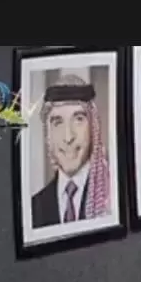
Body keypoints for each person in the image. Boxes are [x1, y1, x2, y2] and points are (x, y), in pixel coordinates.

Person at [30, 75, 112, 228]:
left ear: (93, 127)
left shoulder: (111, 196)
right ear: (48, 134)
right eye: (58, 123)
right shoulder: (34, 208)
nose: (68, 137)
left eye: (79, 119)